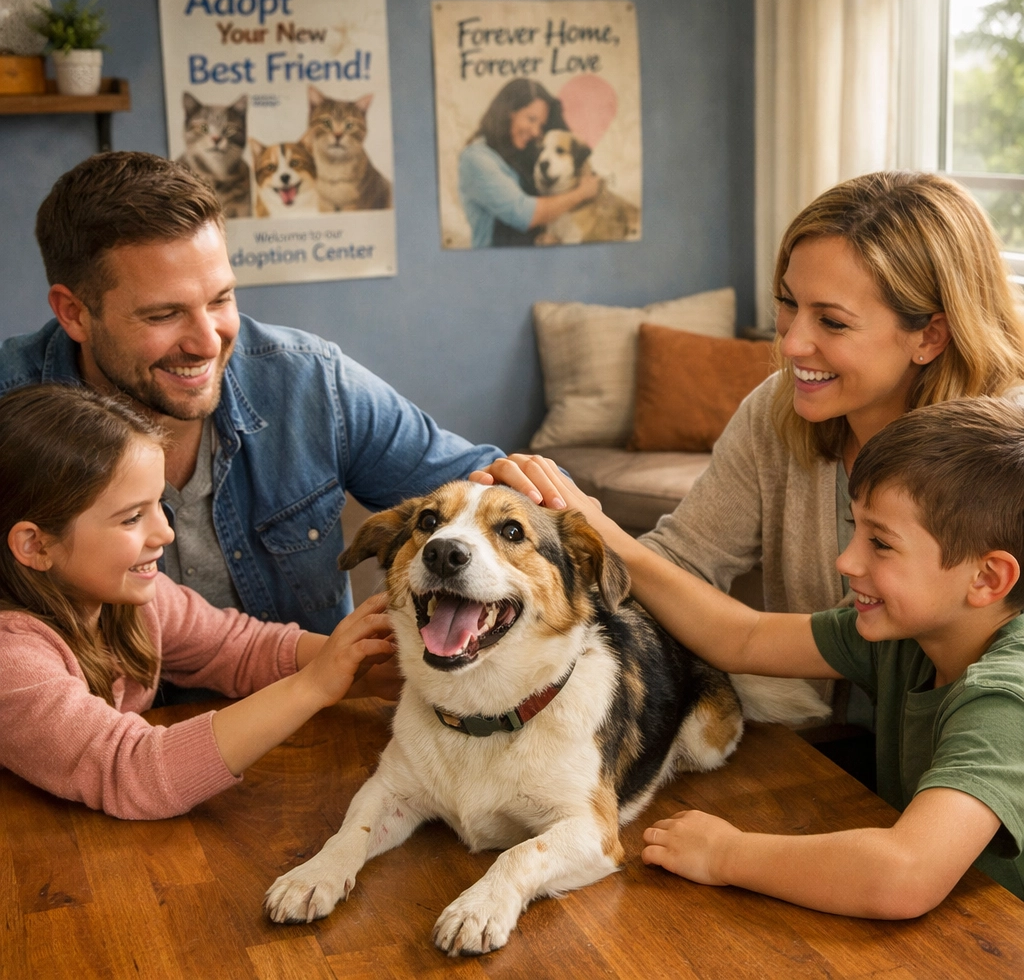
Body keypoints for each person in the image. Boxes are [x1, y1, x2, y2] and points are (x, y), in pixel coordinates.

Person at [478, 170, 1024, 724]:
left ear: (930, 335)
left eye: (832, 322)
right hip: (828, 750)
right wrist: (512, 571)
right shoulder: (779, 409)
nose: (789, 343)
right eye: (788, 303)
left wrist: (600, 531)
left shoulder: (1010, 452)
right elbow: (686, 567)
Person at [511, 397, 1024, 911]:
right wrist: (599, 528)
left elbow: (903, 874)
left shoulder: (1007, 697)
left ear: (987, 578)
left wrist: (727, 854)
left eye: (881, 544)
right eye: (855, 530)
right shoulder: (906, 633)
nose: (847, 561)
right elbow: (742, 638)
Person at [0, 150, 527, 644]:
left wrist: (605, 542)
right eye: (163, 314)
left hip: (304, 706)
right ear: (73, 312)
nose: (207, 342)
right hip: (99, 733)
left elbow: (504, 489)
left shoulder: (310, 382)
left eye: (221, 299)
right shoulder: (11, 409)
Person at [0, 385, 397, 820]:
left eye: (159, 507)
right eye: (132, 517)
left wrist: (366, 666)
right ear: (35, 545)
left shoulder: (130, 601)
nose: (165, 534)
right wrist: (313, 685)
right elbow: (134, 771)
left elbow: (242, 648)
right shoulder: (11, 660)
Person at [458, 77, 601, 248]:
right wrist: (582, 194)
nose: (535, 131)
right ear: (507, 112)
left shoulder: (520, 152)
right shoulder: (476, 159)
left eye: (540, 125)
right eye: (531, 119)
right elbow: (525, 214)